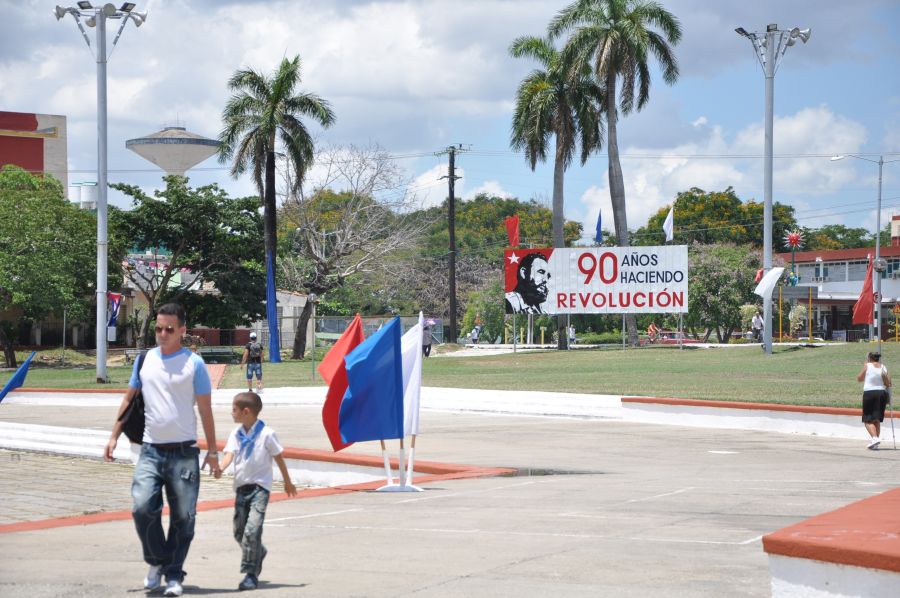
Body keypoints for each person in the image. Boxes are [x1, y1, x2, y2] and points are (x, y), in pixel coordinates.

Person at [104, 303, 220, 597]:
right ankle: (158, 561)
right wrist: (113, 435)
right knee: (142, 508)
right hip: (151, 451)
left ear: (183, 330)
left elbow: (206, 411)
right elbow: (129, 400)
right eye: (158, 328)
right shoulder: (145, 361)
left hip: (184, 453)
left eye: (170, 329)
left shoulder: (194, 365)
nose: (163, 334)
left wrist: (213, 451)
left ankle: (173, 574)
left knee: (184, 518)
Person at [220, 391, 297, 591]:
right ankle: (258, 552)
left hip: (260, 489)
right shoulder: (236, 434)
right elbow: (229, 454)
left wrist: (287, 482)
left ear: (246, 412)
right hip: (241, 488)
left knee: (252, 531)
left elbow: (279, 458)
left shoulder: (267, 434)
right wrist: (220, 467)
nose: (232, 413)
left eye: (234, 410)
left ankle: (250, 574)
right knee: (239, 532)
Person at [856, 351, 891, 449]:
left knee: (867, 419)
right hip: (882, 394)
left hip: (870, 393)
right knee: (876, 419)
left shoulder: (867, 366)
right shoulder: (883, 367)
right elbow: (889, 382)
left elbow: (859, 379)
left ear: (870, 358)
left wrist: (864, 367)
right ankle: (875, 442)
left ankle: (875, 438)